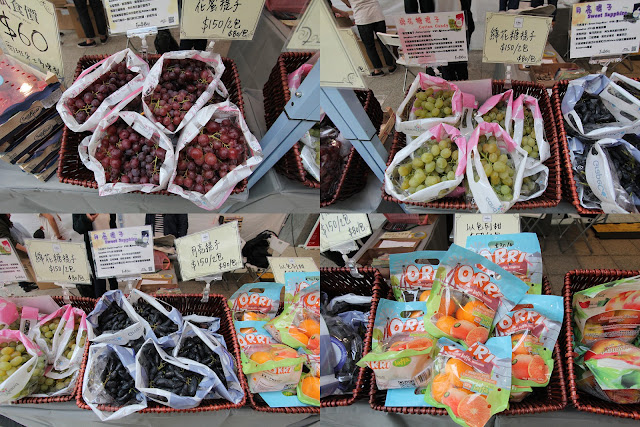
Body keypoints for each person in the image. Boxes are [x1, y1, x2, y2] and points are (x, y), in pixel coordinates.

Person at [337, 0, 396, 76]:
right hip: (377, 14)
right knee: (384, 42)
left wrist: (349, 3)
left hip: (362, 18)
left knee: (369, 46)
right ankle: (391, 66)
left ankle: (377, 70)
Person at [72, 214, 118, 298]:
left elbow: (112, 223)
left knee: (113, 278)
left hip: (110, 246)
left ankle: (117, 300)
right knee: (99, 281)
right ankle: (100, 302)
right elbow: (77, 227)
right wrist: (86, 218)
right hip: (94, 247)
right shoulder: (81, 207)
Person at [0, 215, 37, 292]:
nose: (10, 214)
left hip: (7, 249)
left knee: (19, 265)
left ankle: (27, 284)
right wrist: (26, 250)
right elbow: (9, 241)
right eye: (8, 212)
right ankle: (27, 284)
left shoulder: (3, 221)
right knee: (20, 265)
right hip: (8, 250)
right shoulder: (1, 223)